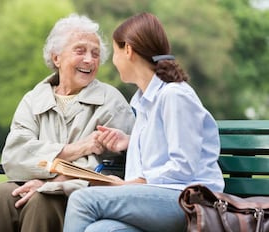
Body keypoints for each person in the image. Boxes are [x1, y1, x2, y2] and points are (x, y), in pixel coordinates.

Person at [0, 14, 134, 232]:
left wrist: (52, 183)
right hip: (27, 183)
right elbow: (14, 155)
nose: (89, 60)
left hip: (79, 192)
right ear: (56, 58)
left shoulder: (111, 102)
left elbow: (117, 168)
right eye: (80, 50)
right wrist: (75, 149)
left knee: (41, 201)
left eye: (95, 54)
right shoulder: (33, 100)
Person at [63, 12, 225, 232]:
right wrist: (130, 141)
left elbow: (184, 166)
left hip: (188, 200)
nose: (113, 61)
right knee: (100, 230)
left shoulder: (174, 95)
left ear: (128, 50)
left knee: (82, 200)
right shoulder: (143, 101)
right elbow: (168, 144)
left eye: (115, 52)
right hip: (161, 199)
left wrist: (134, 183)